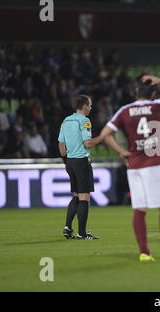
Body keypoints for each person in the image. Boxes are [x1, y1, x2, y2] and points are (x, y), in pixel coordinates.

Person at [99, 74, 160, 263]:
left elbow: (105, 134)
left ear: (136, 92)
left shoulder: (125, 110)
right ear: (154, 94)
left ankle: (144, 253)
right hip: (154, 164)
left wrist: (122, 152)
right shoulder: (158, 105)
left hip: (134, 166)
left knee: (139, 209)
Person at [58, 95, 104, 240]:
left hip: (70, 162)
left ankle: (67, 227)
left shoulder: (66, 120)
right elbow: (88, 144)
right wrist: (102, 137)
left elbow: (61, 145)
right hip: (81, 161)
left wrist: (66, 161)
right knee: (84, 197)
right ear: (84, 106)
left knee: (77, 196)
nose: (91, 108)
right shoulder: (84, 121)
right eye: (90, 105)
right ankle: (82, 234)